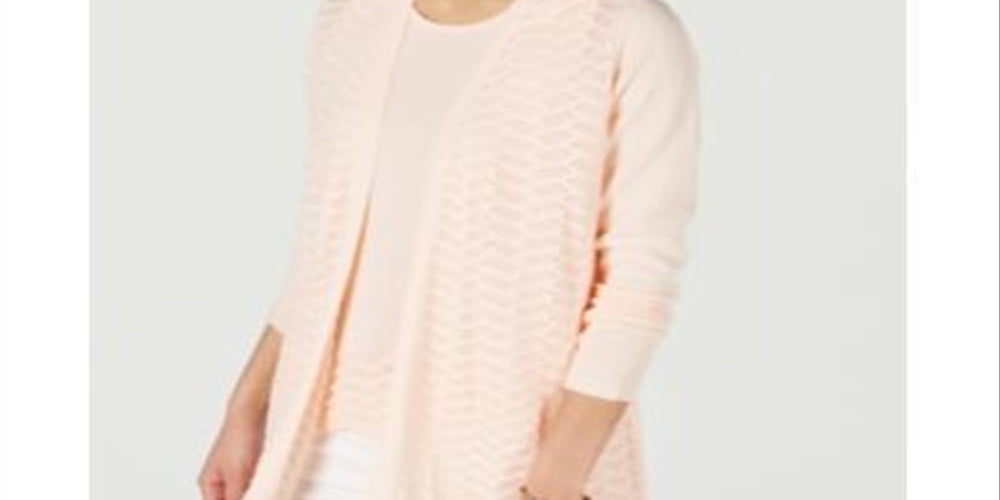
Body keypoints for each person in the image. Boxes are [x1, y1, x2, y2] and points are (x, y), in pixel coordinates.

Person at [198, 0, 700, 499]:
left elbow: (636, 287)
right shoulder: (352, 18)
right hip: (316, 448)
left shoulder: (623, 32)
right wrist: (247, 406)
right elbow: (323, 254)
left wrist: (551, 484)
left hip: (498, 460)